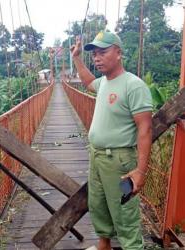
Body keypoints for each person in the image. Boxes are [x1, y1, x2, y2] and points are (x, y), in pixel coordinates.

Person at [71, 31, 153, 250]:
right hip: (97, 157)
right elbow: (88, 82)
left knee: (124, 216)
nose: (97, 58)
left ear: (118, 53)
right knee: (98, 207)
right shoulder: (104, 83)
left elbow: (145, 129)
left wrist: (140, 171)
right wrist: (77, 58)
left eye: (103, 52)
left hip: (119, 160)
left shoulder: (133, 85)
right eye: (95, 54)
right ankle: (103, 246)